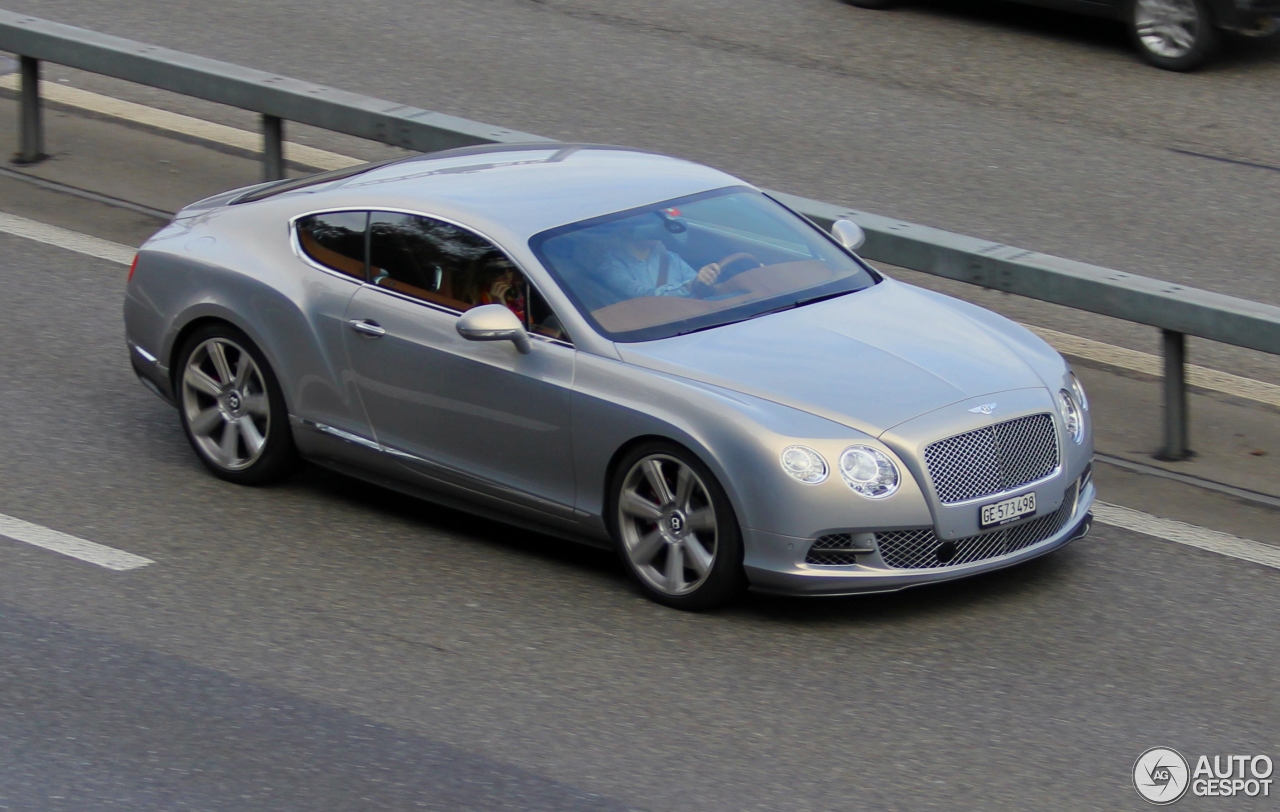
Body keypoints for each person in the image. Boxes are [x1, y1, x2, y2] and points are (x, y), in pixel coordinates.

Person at [598, 219, 721, 300]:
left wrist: (706, 280)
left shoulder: (670, 257)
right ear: (630, 231)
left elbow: (697, 284)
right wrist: (688, 287)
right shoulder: (613, 268)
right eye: (650, 225)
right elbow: (645, 296)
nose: (658, 230)